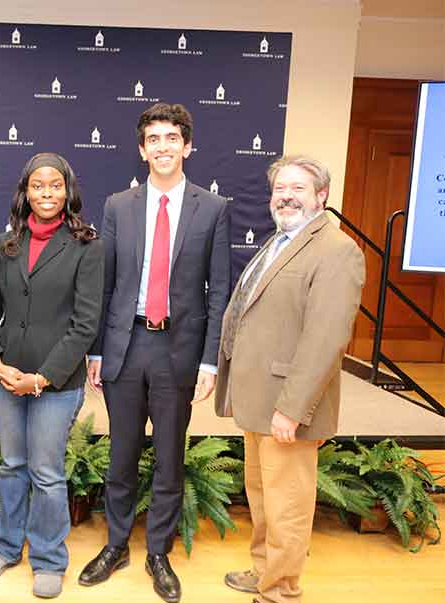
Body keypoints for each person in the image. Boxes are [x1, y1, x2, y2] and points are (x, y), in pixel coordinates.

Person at [80, 103, 230, 603]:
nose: (163, 147)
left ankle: (158, 552)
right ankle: (116, 545)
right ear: (142, 149)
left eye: (172, 138)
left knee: (169, 457)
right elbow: (104, 285)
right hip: (126, 345)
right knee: (121, 455)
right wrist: (97, 351)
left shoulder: (213, 208)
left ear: (187, 146)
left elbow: (219, 291)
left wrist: (209, 359)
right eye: (153, 139)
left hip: (178, 350)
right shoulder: (118, 205)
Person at [216, 155, 364, 603]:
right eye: (280, 188)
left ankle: (281, 590)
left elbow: (326, 339)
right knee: (264, 498)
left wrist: (292, 409)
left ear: (322, 196)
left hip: (287, 406)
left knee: (288, 506)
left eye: (298, 188)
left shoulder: (337, 251)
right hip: (258, 399)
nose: (286, 196)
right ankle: (265, 571)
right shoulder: (280, 240)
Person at [0, 153, 103, 599]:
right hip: (6, 378)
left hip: (56, 382)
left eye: (55, 185)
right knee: (11, 465)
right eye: (37, 185)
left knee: (46, 472)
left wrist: (42, 378)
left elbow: (85, 325)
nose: (46, 193)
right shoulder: (5, 245)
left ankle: (48, 559)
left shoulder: (87, 245)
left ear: (68, 190)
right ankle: (5, 547)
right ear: (25, 192)